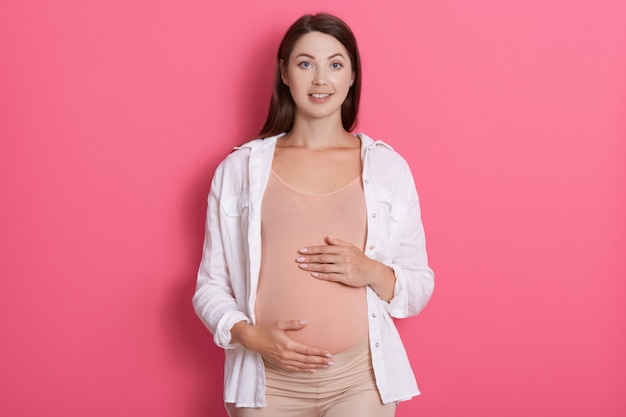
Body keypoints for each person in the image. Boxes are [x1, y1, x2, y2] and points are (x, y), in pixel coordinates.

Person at [193, 12, 434, 417]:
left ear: (352, 75)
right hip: (269, 384)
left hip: (361, 379)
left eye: (335, 64)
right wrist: (251, 337)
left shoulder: (388, 169)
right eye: (306, 63)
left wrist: (371, 270)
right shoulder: (239, 170)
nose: (321, 79)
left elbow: (420, 284)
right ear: (284, 73)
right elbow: (210, 286)